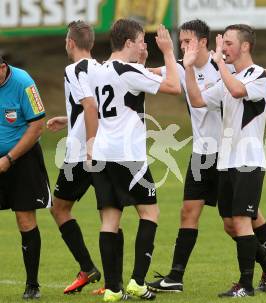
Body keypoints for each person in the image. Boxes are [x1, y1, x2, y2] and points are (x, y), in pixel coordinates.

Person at [147, 19, 266, 294]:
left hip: (237, 156)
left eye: (188, 41)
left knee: (246, 218)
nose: (184, 46)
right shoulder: (183, 67)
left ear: (203, 42)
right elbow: (190, 94)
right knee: (217, 219)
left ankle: (263, 273)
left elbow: (251, 78)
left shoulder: (227, 67)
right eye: (181, 42)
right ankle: (178, 276)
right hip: (208, 154)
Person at [184, 24, 266, 297]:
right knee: (230, 225)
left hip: (248, 161)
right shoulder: (228, 78)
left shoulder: (258, 76)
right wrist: (190, 68)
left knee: (241, 221)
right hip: (226, 162)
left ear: (245, 46)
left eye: (228, 43)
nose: (223, 48)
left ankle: (246, 285)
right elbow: (197, 100)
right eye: (222, 43)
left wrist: (219, 64)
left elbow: (238, 91)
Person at [89, 19, 180, 302]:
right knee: (149, 213)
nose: (145, 45)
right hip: (129, 156)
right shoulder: (128, 71)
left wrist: (141, 63)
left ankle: (113, 290)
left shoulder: (101, 69)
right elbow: (174, 87)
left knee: (110, 220)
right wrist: (167, 51)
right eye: (141, 40)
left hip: (103, 155)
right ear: (128, 42)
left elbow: (125, 92)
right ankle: (137, 282)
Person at [46, 20, 102, 294]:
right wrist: (68, 119)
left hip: (82, 154)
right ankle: (113, 282)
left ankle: (87, 267)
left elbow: (90, 107)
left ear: (70, 43)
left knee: (59, 208)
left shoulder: (73, 70)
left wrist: (89, 146)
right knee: (109, 214)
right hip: (108, 152)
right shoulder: (102, 69)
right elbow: (97, 110)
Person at [0, 55, 51, 299]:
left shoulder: (24, 82)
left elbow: (37, 125)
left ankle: (32, 284)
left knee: (25, 219)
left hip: (22, 158)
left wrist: (9, 158)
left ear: (2, 68)